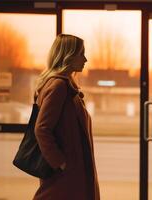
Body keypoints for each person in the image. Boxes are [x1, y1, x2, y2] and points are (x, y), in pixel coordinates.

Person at [32, 34, 100, 200]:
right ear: (68, 56)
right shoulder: (59, 86)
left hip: (71, 170)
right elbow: (42, 129)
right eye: (81, 54)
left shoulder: (65, 85)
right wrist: (60, 163)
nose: (85, 59)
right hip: (66, 173)